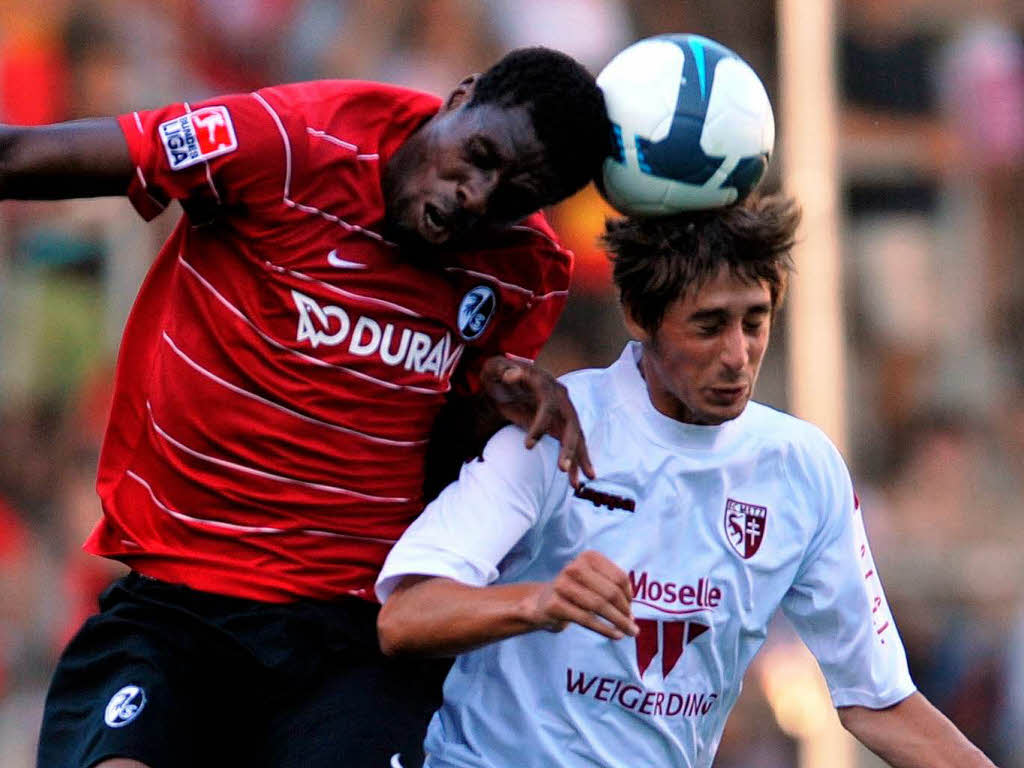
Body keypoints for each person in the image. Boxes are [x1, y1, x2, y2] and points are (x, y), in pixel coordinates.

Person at [0, 46, 611, 768]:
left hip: (343, 637)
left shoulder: (524, 270)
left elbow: (440, 465)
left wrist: (487, 408)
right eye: (478, 156)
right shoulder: (291, 141)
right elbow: (18, 157)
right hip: (179, 600)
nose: (478, 194)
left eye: (513, 193)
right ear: (459, 96)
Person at [375, 195, 999, 768]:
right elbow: (405, 617)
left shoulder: (800, 468)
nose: (736, 355)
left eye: (754, 322)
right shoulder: (558, 428)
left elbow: (879, 700)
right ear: (639, 316)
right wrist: (535, 602)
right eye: (708, 325)